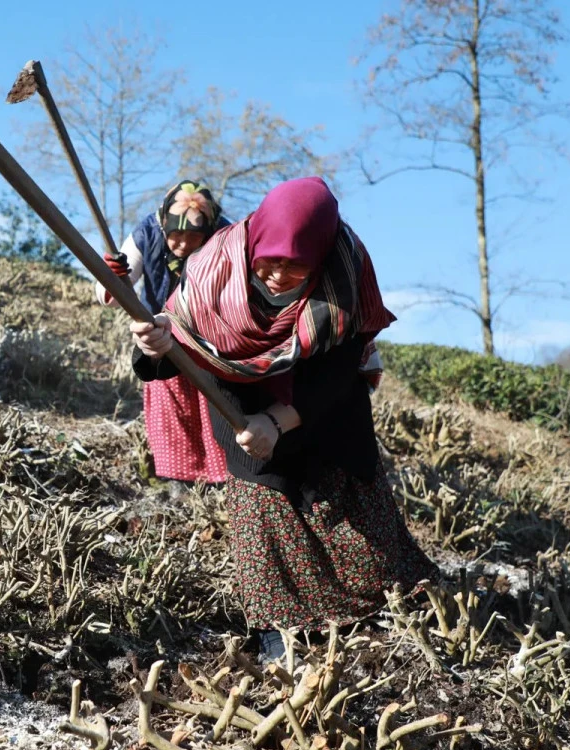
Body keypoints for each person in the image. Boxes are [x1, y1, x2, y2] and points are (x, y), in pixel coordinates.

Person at [130, 177, 438, 662]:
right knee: (264, 512)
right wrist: (157, 344)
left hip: (324, 406)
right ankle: (280, 629)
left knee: (352, 520)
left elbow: (339, 372)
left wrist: (281, 420)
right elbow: (181, 338)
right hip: (239, 404)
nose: (277, 276)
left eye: (295, 268)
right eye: (269, 261)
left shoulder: (345, 273)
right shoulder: (215, 265)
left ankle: (385, 609)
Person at [97, 180, 229, 485]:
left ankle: (221, 478)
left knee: (213, 404)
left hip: (210, 337)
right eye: (176, 236)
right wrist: (114, 278)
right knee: (170, 405)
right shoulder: (146, 233)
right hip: (160, 337)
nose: (183, 245)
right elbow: (108, 296)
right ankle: (178, 479)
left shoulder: (226, 237)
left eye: (192, 237)